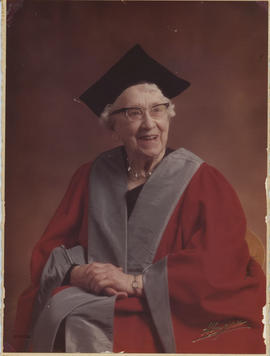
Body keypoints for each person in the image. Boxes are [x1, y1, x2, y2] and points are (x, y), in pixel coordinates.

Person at [14, 45, 265, 353]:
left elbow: (221, 261)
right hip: (95, 300)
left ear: (169, 115)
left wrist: (135, 283)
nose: (149, 124)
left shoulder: (203, 181)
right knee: (65, 317)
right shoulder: (90, 177)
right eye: (134, 113)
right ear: (113, 126)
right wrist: (78, 273)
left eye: (158, 109)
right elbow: (51, 249)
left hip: (172, 310)